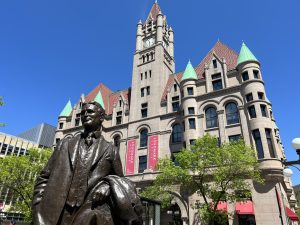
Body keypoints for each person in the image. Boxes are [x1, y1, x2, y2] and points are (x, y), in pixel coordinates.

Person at [32, 100, 143, 225]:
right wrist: (38, 211)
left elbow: (120, 180)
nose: (85, 115)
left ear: (101, 117)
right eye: (83, 112)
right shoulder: (65, 143)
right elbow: (44, 178)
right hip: (57, 214)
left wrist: (108, 186)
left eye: (90, 111)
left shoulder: (111, 149)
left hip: (89, 213)